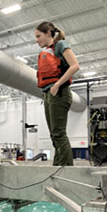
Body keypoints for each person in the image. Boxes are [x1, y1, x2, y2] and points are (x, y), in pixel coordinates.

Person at [34, 21, 79, 166]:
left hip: (59, 92)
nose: (37, 40)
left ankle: (66, 170)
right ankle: (58, 167)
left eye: (38, 36)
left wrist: (58, 84)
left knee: (59, 134)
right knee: (54, 135)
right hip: (48, 94)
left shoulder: (60, 45)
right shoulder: (45, 51)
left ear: (48, 33)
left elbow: (75, 66)